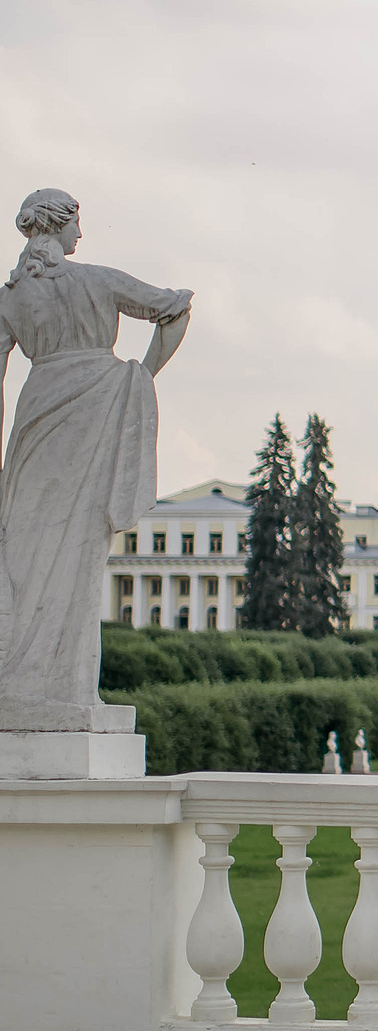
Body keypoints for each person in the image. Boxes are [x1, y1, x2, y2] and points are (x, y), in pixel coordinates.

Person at [0, 190, 190, 728]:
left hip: (34, 420)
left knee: (23, 552)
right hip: (96, 411)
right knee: (79, 554)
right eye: (76, 224)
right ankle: (62, 687)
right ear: (59, 225)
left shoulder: (9, 299)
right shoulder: (98, 280)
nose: (80, 234)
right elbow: (176, 308)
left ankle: (26, 682)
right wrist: (142, 376)